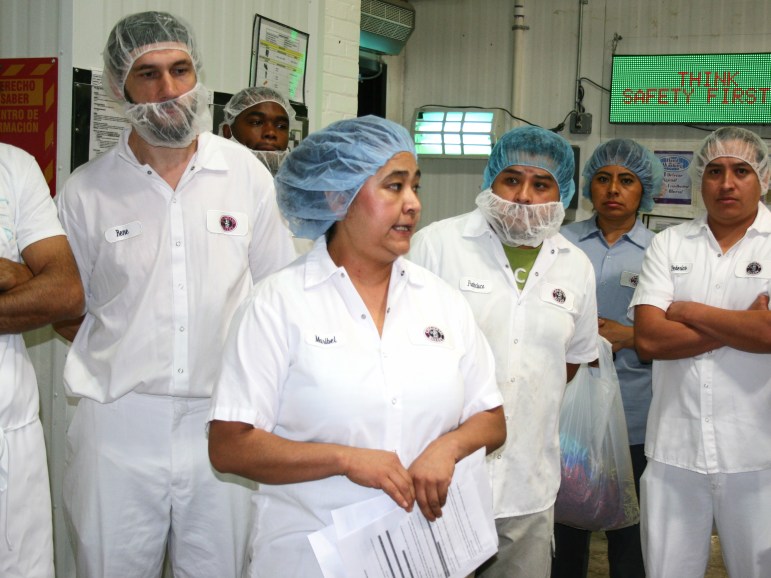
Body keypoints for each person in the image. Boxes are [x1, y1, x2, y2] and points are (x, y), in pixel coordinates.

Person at [207, 115, 507, 578]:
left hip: (425, 557)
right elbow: (230, 447)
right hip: (310, 560)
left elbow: (491, 419)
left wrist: (449, 448)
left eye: (415, 186)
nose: (413, 204)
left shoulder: (442, 302)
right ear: (337, 196)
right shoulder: (277, 304)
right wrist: (344, 459)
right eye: (393, 186)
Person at [53, 11, 296, 578]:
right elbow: (65, 305)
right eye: (148, 74)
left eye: (180, 70)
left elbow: (277, 297)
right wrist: (127, 344)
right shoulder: (86, 191)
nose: (169, 89)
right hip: (118, 423)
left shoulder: (245, 175)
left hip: (224, 424)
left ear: (197, 75)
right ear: (120, 88)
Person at [409, 125, 599, 577]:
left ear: (563, 192)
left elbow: (570, 363)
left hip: (529, 481)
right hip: (440, 477)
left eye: (541, 184)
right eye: (511, 179)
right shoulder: (437, 245)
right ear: (490, 180)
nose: (524, 196)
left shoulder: (576, 266)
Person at [630, 126, 771, 578]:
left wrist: (688, 311)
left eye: (741, 171)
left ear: (763, 179)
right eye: (715, 171)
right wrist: (742, 325)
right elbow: (649, 340)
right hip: (675, 452)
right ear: (700, 180)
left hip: (759, 457)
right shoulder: (669, 243)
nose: (727, 183)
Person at [554, 139, 664, 578]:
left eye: (626, 180)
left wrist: (630, 336)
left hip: (635, 414)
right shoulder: (559, 242)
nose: (613, 189)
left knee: (630, 537)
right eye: (603, 178)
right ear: (588, 186)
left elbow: (674, 330)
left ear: (644, 189)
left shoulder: (662, 251)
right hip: (565, 410)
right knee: (563, 532)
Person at [0, 143, 84, 578]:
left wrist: (29, 280)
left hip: (10, 440)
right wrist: (24, 280)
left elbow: (65, 293)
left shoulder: (12, 166)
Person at [219, 86, 293, 175]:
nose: (271, 133)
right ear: (228, 132)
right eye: (256, 122)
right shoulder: (211, 180)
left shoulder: (298, 181)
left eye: (281, 126)